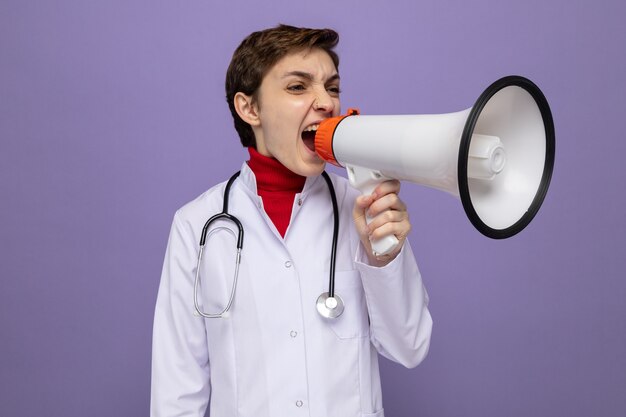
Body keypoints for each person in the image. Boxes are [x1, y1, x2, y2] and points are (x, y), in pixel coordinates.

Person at [151, 24, 432, 417]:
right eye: (299, 87)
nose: (326, 103)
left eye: (332, 88)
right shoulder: (197, 224)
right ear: (249, 109)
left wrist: (384, 259)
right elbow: (177, 390)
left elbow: (410, 347)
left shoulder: (364, 208)